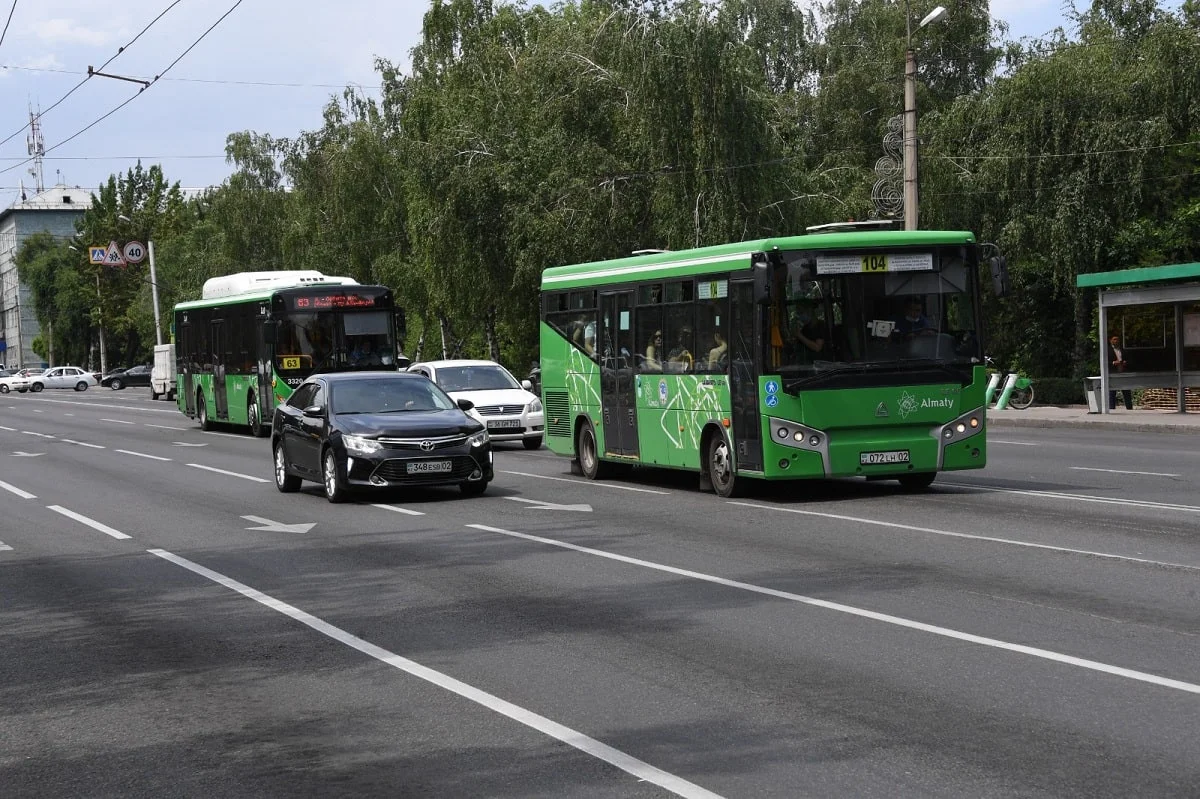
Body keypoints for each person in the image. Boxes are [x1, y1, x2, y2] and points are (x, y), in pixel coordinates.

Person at [1108, 334, 1133, 410]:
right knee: (1112, 391)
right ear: (1110, 340)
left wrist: (1125, 362)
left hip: (1123, 371)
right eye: (1114, 339)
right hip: (1113, 372)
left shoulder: (1123, 349)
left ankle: (1129, 407)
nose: (1116, 341)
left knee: (1126, 390)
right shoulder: (1107, 350)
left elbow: (1129, 359)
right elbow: (1104, 361)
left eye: (1117, 339)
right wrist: (1113, 363)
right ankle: (1111, 408)